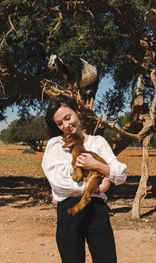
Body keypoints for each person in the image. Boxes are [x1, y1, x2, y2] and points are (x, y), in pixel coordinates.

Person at [42, 95, 127, 263]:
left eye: (68, 118)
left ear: (76, 112)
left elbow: (121, 175)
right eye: (60, 123)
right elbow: (59, 183)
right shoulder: (56, 145)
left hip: (97, 210)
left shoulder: (98, 142)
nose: (66, 125)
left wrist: (97, 164)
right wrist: (97, 189)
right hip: (69, 211)